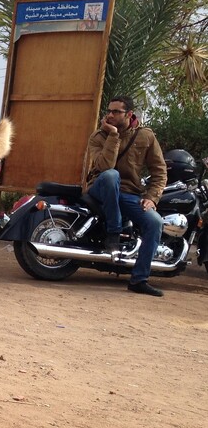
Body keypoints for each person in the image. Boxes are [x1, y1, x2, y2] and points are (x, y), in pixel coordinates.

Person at [84, 95, 167, 297]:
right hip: (100, 187)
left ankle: (139, 280)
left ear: (129, 114)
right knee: (111, 175)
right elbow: (104, 167)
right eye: (109, 111)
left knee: (155, 222)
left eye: (116, 112)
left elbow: (159, 170)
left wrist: (151, 197)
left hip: (129, 193)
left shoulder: (145, 136)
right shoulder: (99, 137)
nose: (110, 115)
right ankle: (114, 231)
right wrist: (112, 135)